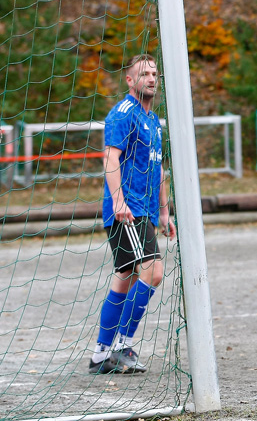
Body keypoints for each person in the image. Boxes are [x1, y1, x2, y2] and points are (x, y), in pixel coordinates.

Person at [88, 54, 175, 375]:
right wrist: (119, 200)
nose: (151, 78)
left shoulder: (152, 120)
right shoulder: (123, 114)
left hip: (146, 211)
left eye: (154, 73)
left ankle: (100, 355)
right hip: (127, 210)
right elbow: (110, 157)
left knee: (125, 277)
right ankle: (122, 347)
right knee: (152, 272)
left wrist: (165, 212)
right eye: (144, 73)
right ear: (129, 80)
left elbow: (158, 167)